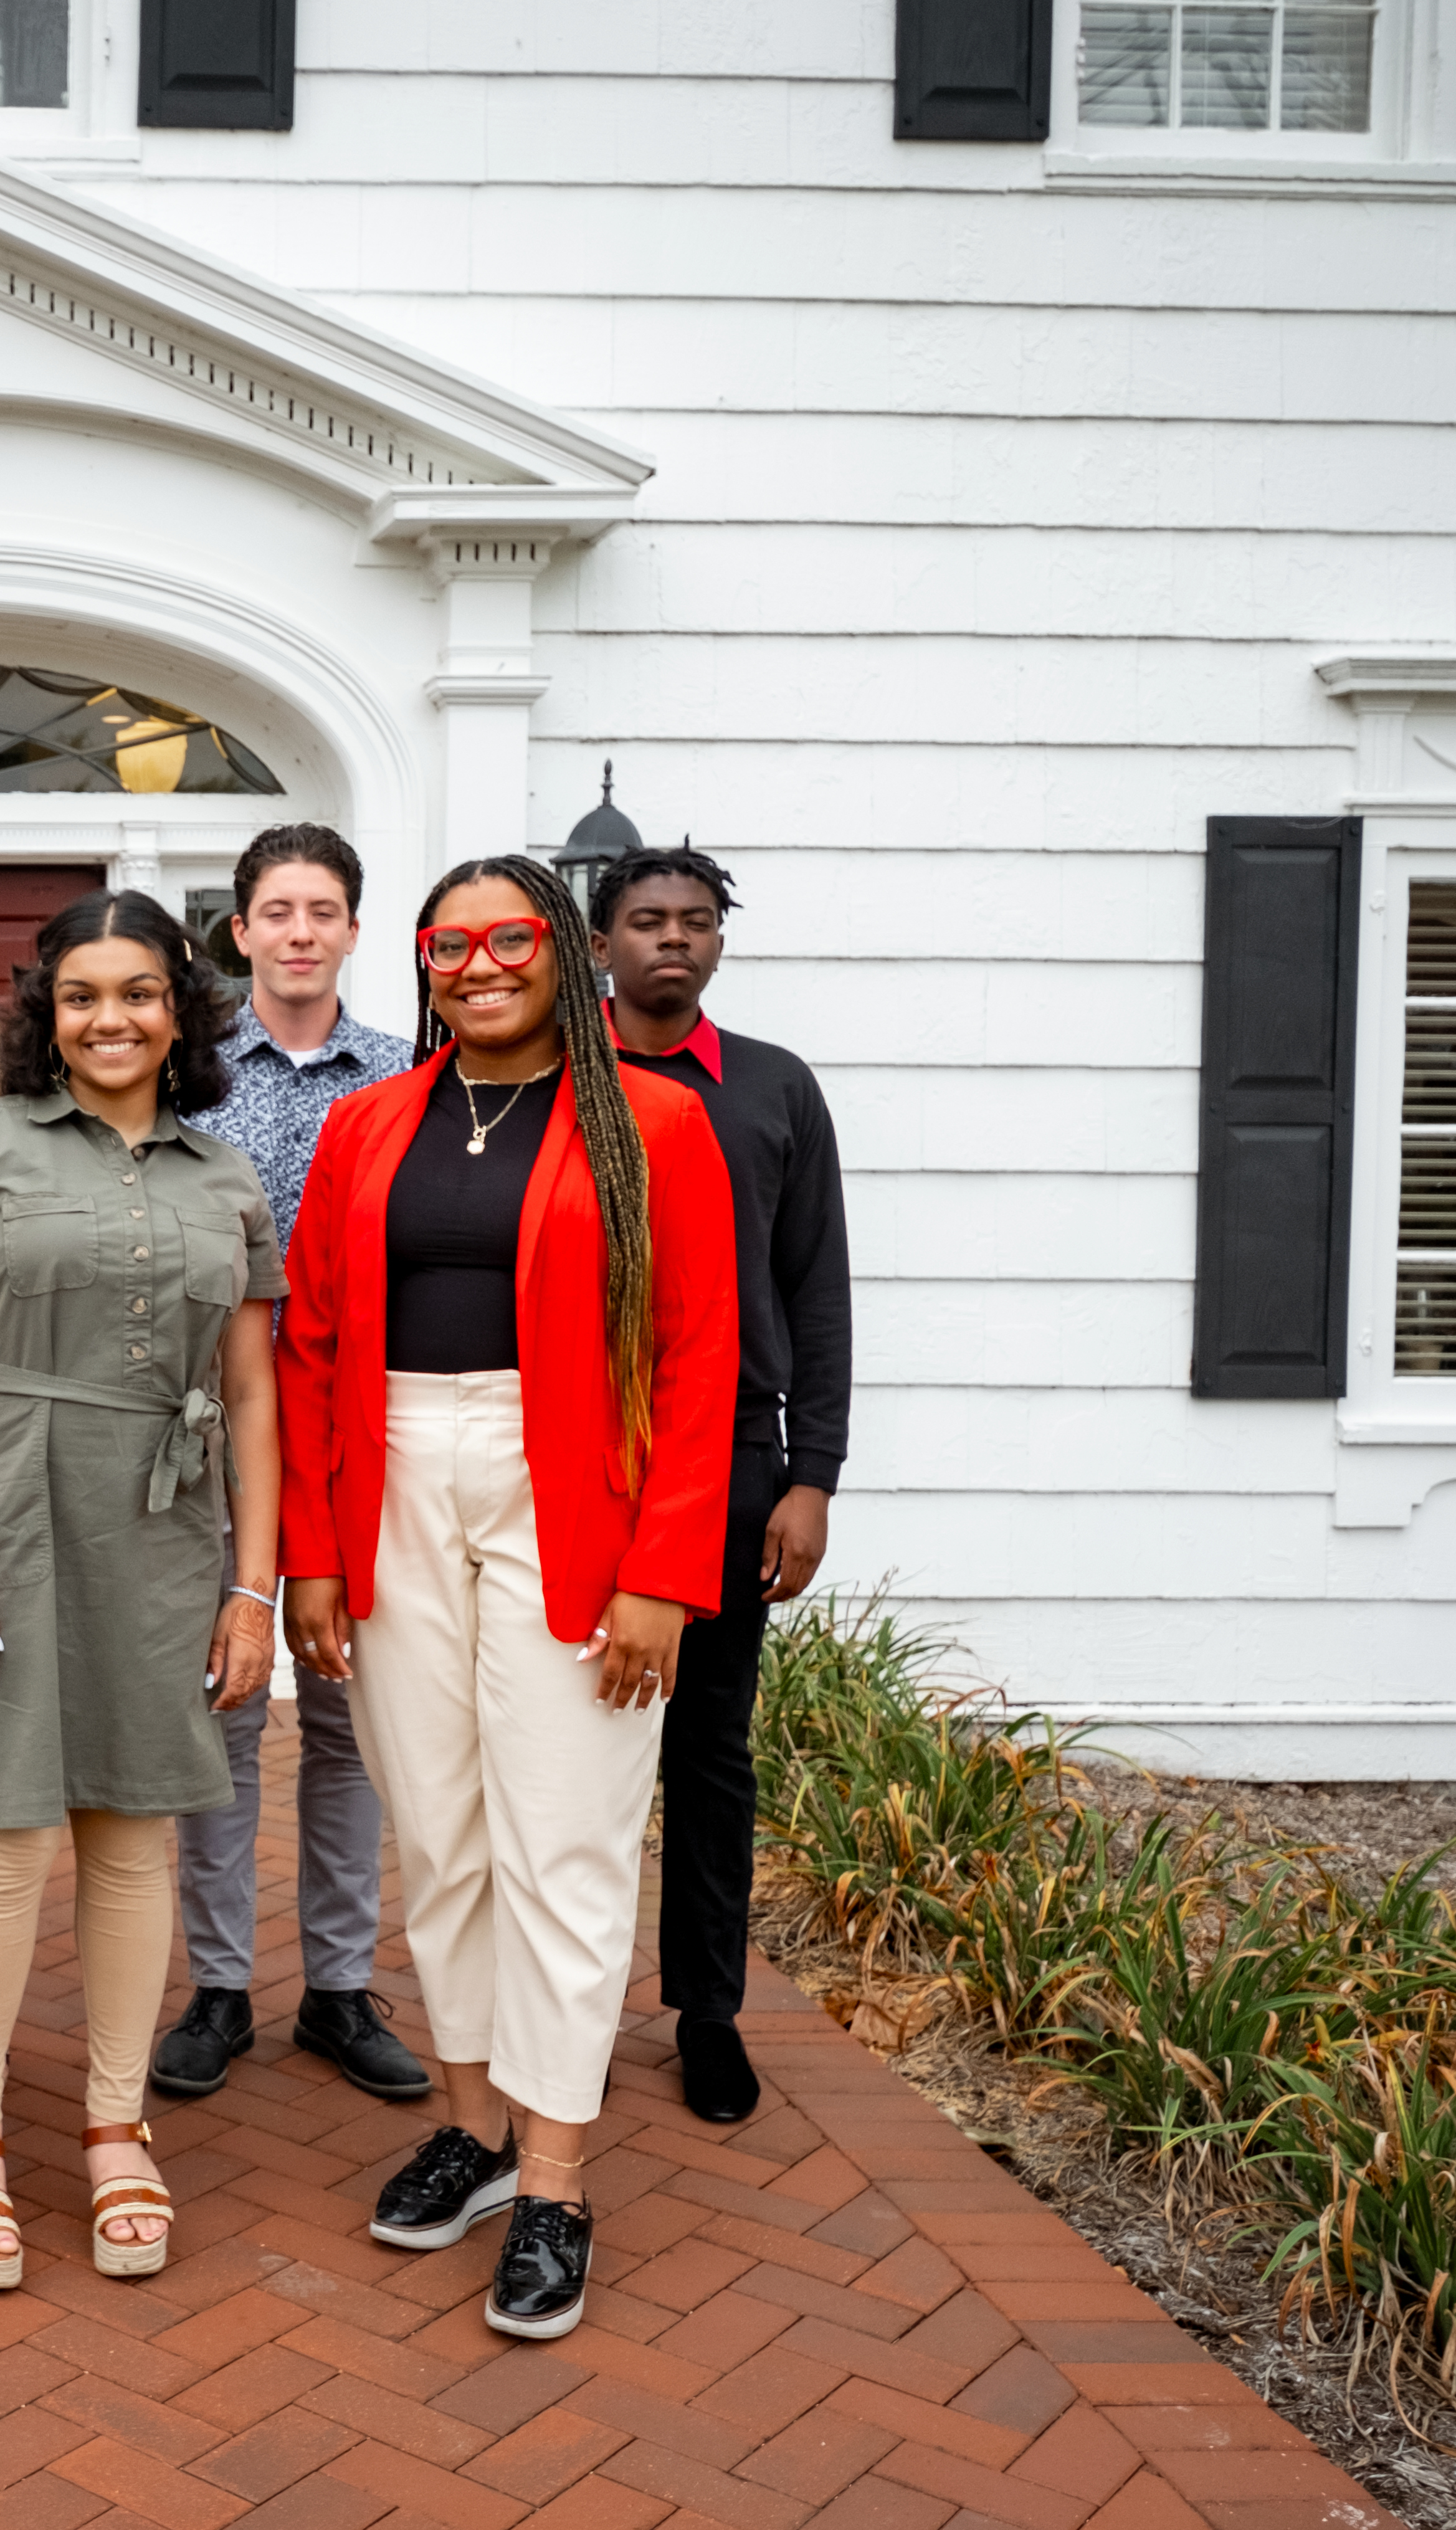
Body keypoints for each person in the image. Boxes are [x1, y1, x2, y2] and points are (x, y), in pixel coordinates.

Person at [279, 854, 735, 2342]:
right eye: (449, 943)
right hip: (393, 1472)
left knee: (566, 1840)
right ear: (422, 963)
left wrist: (664, 1576)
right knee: (442, 1830)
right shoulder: (368, 1123)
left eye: (510, 939)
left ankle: (554, 2181)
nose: (478, 964)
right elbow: (311, 1347)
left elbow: (694, 1354)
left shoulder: (653, 1122)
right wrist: (316, 1554)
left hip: (577, 1486)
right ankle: (474, 2128)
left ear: (561, 954)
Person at [0, 889, 285, 2288]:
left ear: (181, 1008)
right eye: (80, 996)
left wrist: (256, 1586)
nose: (109, 1019)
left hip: (166, 1532)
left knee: (130, 1834)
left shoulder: (223, 1177)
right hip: (0, 1512)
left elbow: (248, 1392)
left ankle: (116, 2128)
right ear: (43, 1014)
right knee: (1, 1835)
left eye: (137, 993)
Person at [148, 825, 430, 2109]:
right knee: (222, 1710)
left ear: (354, 931)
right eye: (278, 910)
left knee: (348, 1723)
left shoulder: (410, 1075)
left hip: (364, 1431)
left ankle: (334, 1985)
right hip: (210, 1430)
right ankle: (217, 1985)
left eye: (324, 909)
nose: (301, 930)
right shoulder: (188, 1078)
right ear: (242, 930)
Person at [594, 844, 851, 2126]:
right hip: (574, 1454)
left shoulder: (770, 1090)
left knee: (707, 1752)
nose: (672, 942)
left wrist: (813, 1475)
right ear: (601, 943)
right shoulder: (544, 1084)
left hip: (732, 1457)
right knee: (566, 1753)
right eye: (646, 921)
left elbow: (815, 1289)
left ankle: (707, 2012)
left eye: (695, 923)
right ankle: (564, 2010)